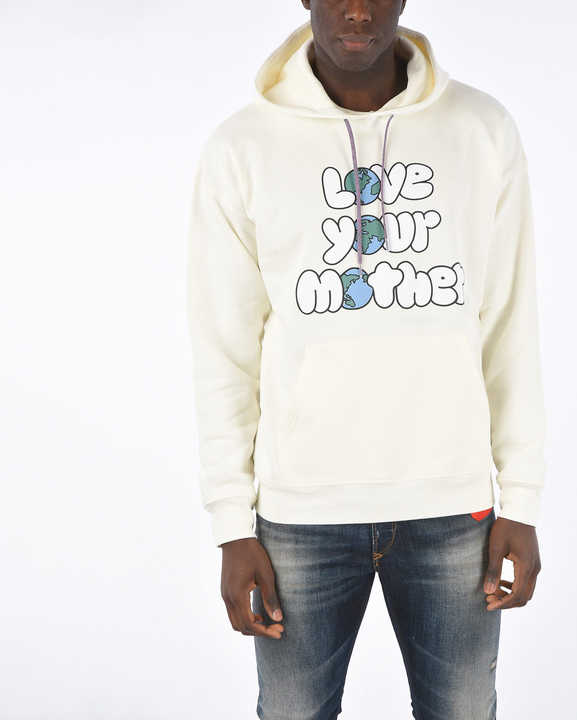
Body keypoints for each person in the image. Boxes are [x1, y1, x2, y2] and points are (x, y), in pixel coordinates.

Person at [186, 1, 546, 717]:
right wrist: (232, 523)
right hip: (300, 512)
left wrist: (523, 499)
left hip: (453, 506)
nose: (357, 8)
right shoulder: (242, 147)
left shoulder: (481, 130)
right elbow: (224, 348)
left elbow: (509, 321)